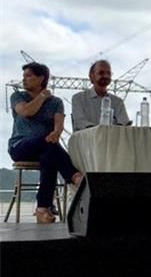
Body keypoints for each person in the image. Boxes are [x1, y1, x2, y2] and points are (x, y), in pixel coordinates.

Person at [8, 62, 83, 223]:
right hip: (20, 146)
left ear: (41, 78)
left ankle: (42, 209)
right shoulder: (18, 96)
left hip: (46, 148)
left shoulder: (56, 102)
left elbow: (58, 125)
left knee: (49, 155)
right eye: (23, 76)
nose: (24, 79)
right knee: (48, 144)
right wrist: (42, 96)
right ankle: (74, 176)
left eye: (29, 76)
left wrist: (56, 133)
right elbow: (26, 111)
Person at [71, 60, 130, 131]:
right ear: (91, 76)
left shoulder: (117, 102)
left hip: (112, 138)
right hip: (88, 138)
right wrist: (102, 131)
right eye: (101, 73)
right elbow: (80, 123)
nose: (106, 76)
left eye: (109, 73)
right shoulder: (78, 99)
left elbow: (125, 125)